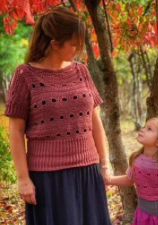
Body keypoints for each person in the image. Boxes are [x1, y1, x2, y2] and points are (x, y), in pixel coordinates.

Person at [4, 6, 112, 225]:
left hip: (88, 173)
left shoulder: (81, 71)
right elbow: (15, 131)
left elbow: (95, 121)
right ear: (55, 44)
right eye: (74, 43)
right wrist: (23, 179)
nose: (79, 48)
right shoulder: (25, 75)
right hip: (47, 179)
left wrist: (104, 164)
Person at [107, 118, 158, 225]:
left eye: (149, 129)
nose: (142, 129)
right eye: (144, 127)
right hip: (143, 216)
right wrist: (108, 180)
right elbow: (129, 179)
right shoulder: (136, 159)